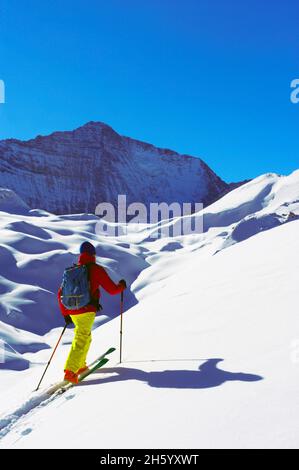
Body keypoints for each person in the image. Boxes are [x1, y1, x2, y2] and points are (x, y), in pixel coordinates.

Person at [58, 241, 126, 384]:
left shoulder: (73, 271)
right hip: (86, 309)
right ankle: (70, 372)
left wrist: (65, 314)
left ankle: (81, 366)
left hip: (72, 310)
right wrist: (121, 286)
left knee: (85, 336)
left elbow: (60, 294)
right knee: (82, 338)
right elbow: (112, 290)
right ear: (93, 255)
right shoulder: (96, 269)